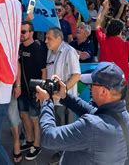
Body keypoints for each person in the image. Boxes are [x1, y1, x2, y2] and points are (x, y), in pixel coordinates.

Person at [36, 62, 129, 165]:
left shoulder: (92, 126)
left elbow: (48, 137)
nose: (90, 87)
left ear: (103, 91)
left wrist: (46, 102)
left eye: (92, 84)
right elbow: (91, 111)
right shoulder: (124, 117)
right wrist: (64, 96)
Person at [45, 27, 81, 164]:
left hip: (65, 102)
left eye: (49, 38)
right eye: (46, 37)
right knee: (58, 128)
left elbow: (76, 76)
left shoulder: (69, 52)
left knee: (67, 129)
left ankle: (69, 157)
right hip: (53, 100)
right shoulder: (50, 51)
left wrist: (61, 92)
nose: (46, 41)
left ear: (59, 39)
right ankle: (61, 153)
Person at [95, 0, 129, 81]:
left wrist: (104, 9)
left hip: (104, 78)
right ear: (120, 31)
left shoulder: (103, 39)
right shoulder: (125, 44)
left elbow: (98, 23)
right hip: (119, 81)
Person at [17, 22, 46, 161]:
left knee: (35, 119)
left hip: (34, 90)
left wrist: (41, 90)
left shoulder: (37, 48)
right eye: (20, 32)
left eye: (24, 32)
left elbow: (43, 71)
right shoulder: (20, 47)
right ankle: (29, 140)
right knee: (24, 116)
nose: (21, 34)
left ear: (31, 33)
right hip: (21, 89)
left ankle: (37, 144)